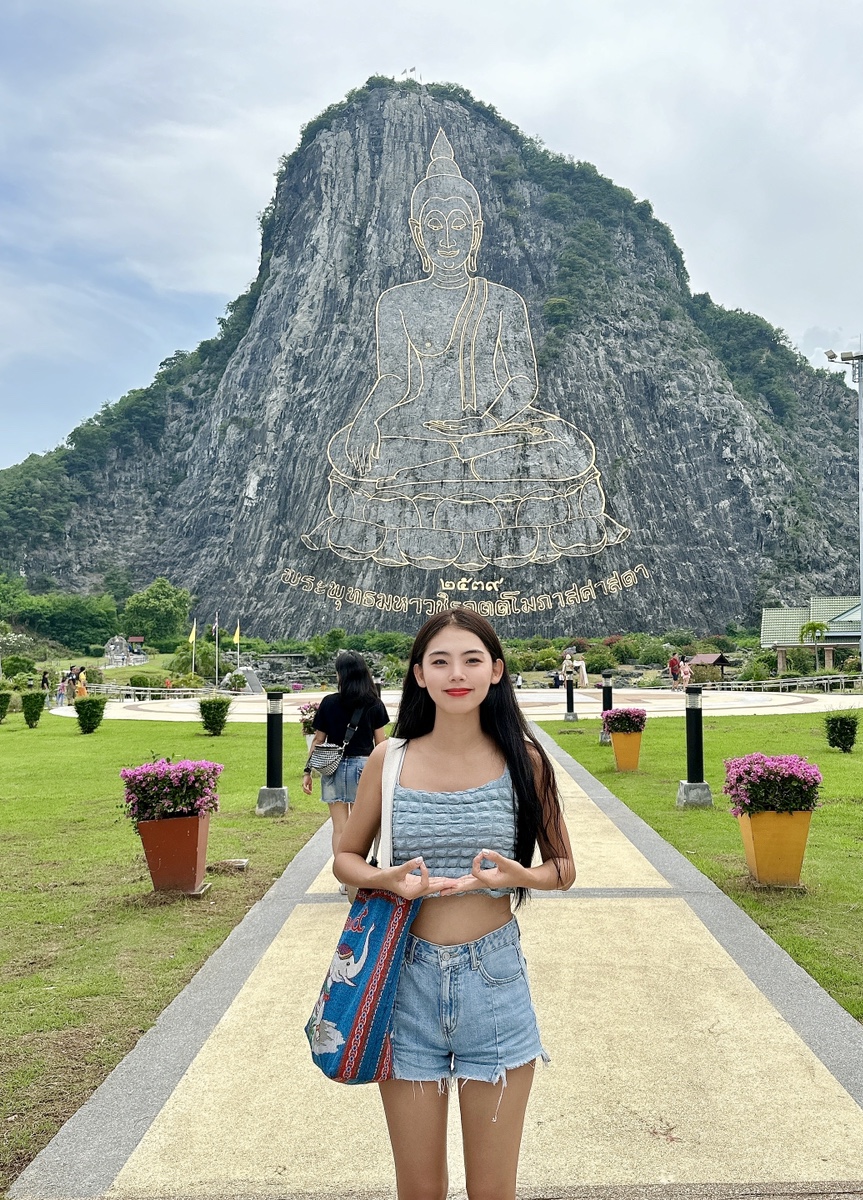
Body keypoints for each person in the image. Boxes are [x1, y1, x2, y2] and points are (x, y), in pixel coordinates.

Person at [304, 129, 628, 571]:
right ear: (418, 233)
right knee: (354, 448)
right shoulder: (397, 301)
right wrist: (365, 421)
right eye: (435, 225)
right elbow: (395, 378)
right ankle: (452, 477)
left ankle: (463, 475)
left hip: (495, 428)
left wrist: (485, 423)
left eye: (459, 224)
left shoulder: (502, 300)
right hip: (423, 427)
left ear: (475, 232)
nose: (448, 238)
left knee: (567, 448)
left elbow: (522, 381)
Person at [334, 611, 575, 1200]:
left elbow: (563, 867)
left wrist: (522, 875)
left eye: (471, 660)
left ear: (496, 671)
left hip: (494, 981)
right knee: (419, 1189)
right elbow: (346, 859)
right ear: (419, 674)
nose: (456, 674)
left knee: (492, 1189)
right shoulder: (388, 760)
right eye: (440, 661)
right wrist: (388, 880)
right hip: (404, 979)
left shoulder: (526, 760)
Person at [302, 651, 389, 867]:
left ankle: (345, 876)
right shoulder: (374, 704)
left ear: (341, 675)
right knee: (366, 826)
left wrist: (308, 771)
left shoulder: (329, 702)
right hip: (364, 768)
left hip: (333, 768)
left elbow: (318, 741)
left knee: (340, 827)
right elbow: (382, 744)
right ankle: (365, 869)